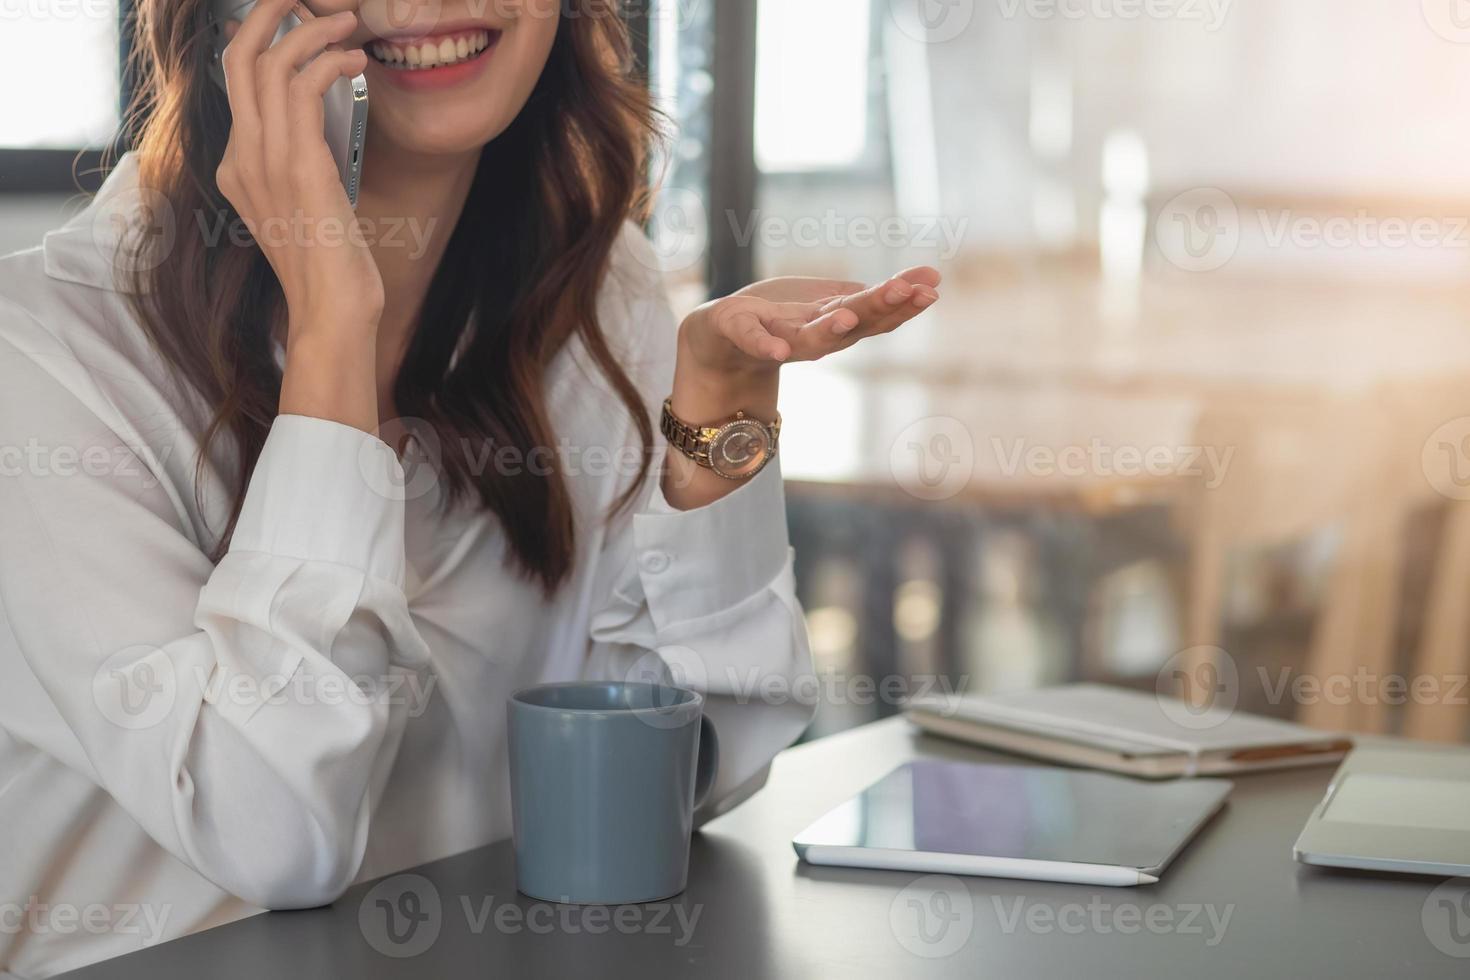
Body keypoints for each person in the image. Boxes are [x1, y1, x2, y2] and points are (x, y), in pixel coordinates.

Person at [0, 1, 941, 974]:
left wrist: (716, 414)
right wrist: (335, 324)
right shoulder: (44, 351)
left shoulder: (593, 289)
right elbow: (276, 833)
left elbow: (690, 781)